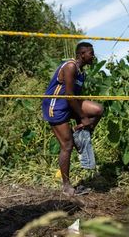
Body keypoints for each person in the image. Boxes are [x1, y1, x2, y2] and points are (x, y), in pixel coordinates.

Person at [42, 41, 103, 196]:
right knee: (67, 146)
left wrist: (81, 121)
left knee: (97, 110)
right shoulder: (70, 66)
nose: (93, 56)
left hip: (69, 105)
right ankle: (66, 186)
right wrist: (83, 117)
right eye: (91, 53)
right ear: (82, 54)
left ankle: (78, 133)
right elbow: (69, 96)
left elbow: (75, 98)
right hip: (55, 107)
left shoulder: (82, 73)